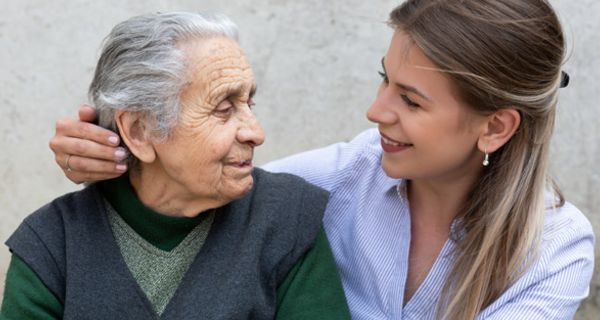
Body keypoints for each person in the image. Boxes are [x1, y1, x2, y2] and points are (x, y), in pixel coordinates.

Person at [43, 0, 596, 319]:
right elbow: (204, 173)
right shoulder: (341, 177)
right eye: (385, 79)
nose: (375, 110)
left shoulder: (554, 248)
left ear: (494, 126)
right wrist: (114, 151)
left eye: (410, 100)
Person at [1, 12, 351, 320]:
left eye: (249, 102)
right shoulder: (53, 245)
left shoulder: (287, 220)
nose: (256, 133)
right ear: (140, 131)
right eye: (224, 109)